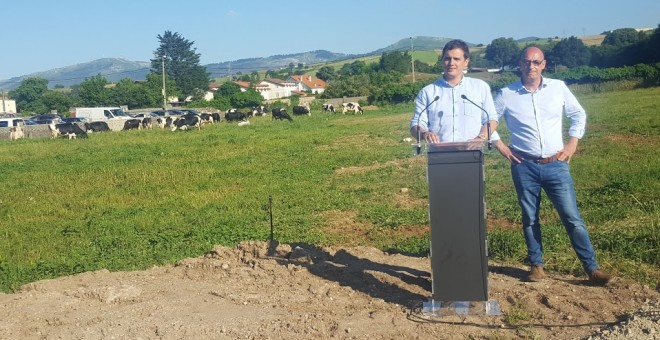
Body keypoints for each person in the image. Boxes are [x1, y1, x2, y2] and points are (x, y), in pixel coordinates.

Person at [493, 46, 611, 285]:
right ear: (520, 64)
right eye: (527, 62)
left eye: (536, 62)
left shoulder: (558, 88)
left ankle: (592, 268)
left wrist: (572, 144)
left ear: (543, 64)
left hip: (556, 164)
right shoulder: (507, 93)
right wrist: (501, 147)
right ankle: (536, 266)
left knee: (572, 217)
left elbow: (578, 114)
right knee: (530, 218)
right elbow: (488, 123)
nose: (531, 66)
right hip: (524, 165)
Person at [410, 39, 498, 145]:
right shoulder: (427, 92)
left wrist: (481, 138)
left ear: (466, 62)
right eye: (447, 58)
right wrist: (424, 134)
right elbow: (416, 124)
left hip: (473, 152)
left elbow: (491, 118)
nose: (451, 63)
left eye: (456, 59)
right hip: (439, 153)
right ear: (442, 61)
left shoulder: (480, 87)